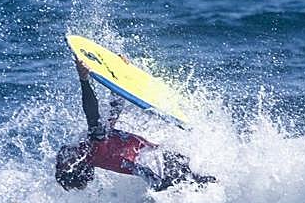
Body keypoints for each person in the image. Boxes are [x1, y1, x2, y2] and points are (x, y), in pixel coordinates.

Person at [55, 54, 215, 191]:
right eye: (61, 163)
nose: (59, 157)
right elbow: (92, 114)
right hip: (166, 167)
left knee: (204, 185)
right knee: (206, 184)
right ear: (74, 165)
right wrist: (84, 79)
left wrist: (118, 75)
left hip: (163, 167)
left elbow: (114, 109)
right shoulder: (93, 150)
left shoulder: (96, 148)